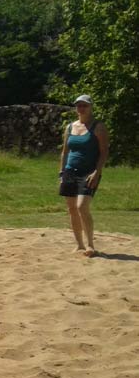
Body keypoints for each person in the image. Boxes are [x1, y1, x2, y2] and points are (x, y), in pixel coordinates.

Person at [59, 94, 109, 258]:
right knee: (72, 209)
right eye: (78, 105)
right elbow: (65, 152)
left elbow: (104, 152)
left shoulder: (98, 127)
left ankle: (90, 245)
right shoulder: (70, 127)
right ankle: (79, 244)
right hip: (69, 171)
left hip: (88, 173)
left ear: (90, 107)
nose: (81, 108)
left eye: (84, 105)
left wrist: (97, 172)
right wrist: (61, 172)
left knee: (82, 206)